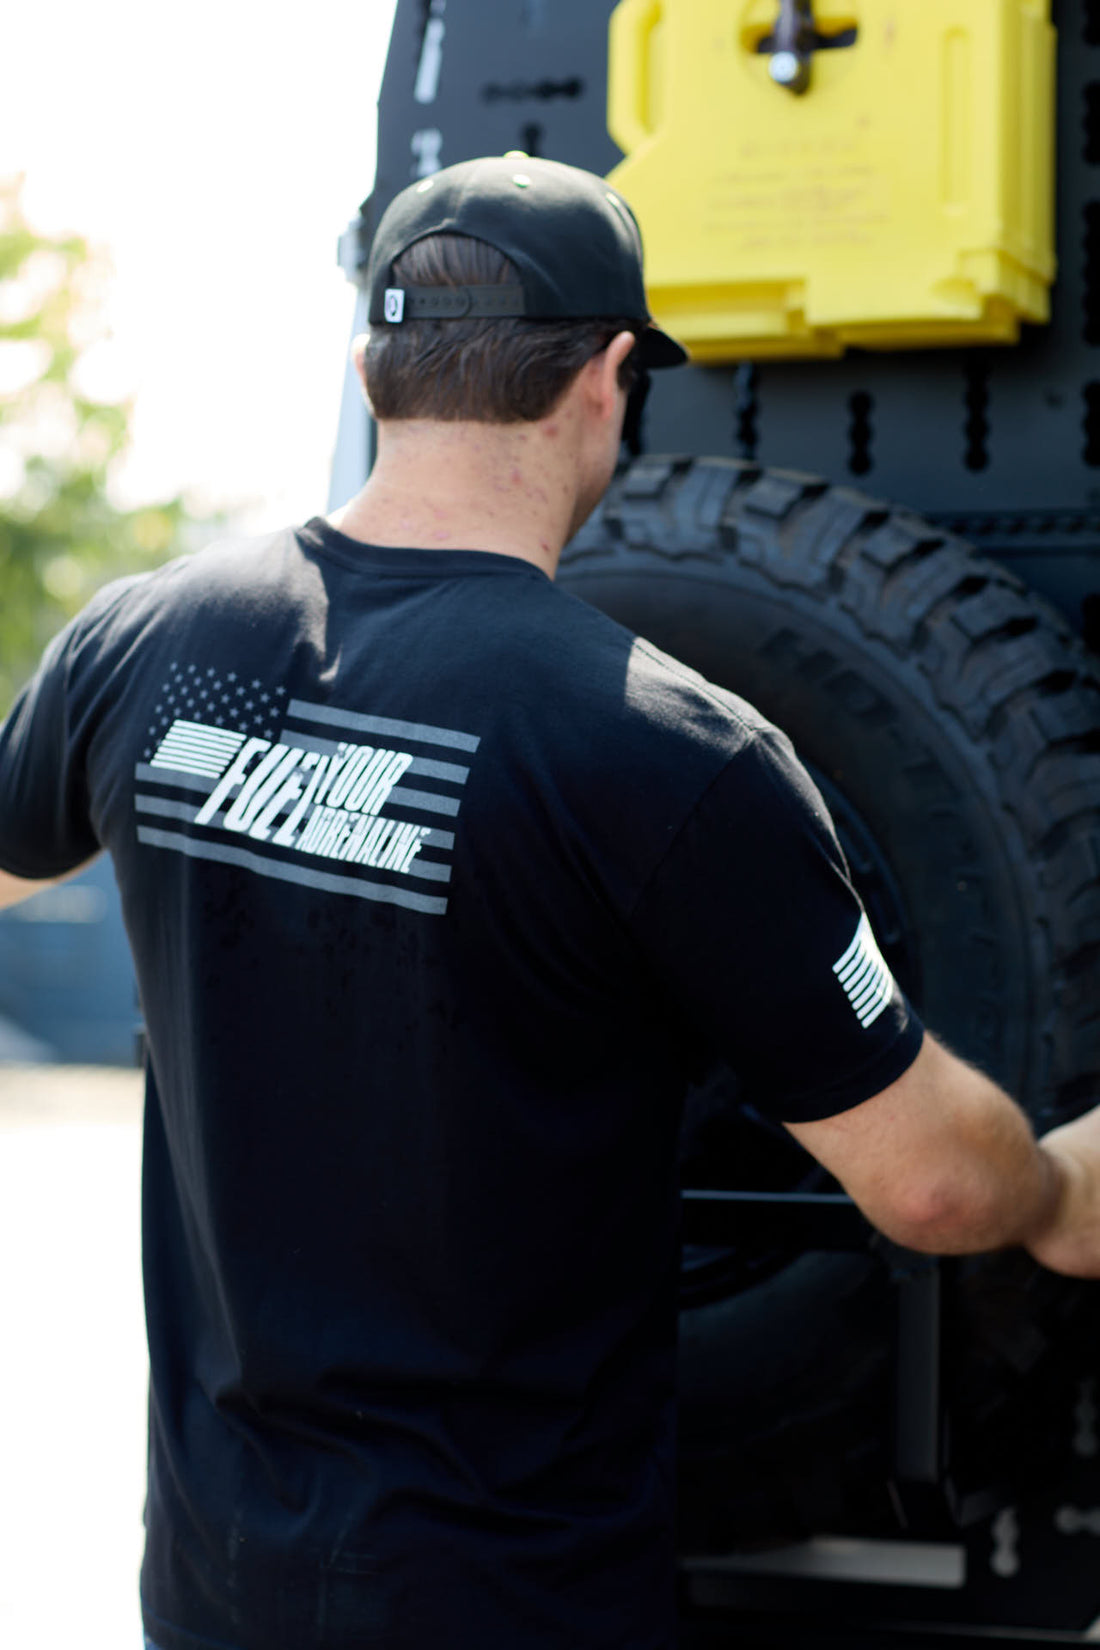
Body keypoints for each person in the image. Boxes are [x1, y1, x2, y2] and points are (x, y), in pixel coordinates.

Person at [1, 153, 1099, 1650]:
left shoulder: (139, 642)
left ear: (370, 369)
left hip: (212, 1585)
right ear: (605, 378)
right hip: (506, 1599)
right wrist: (1059, 1192)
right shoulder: (667, 751)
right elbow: (933, 1187)